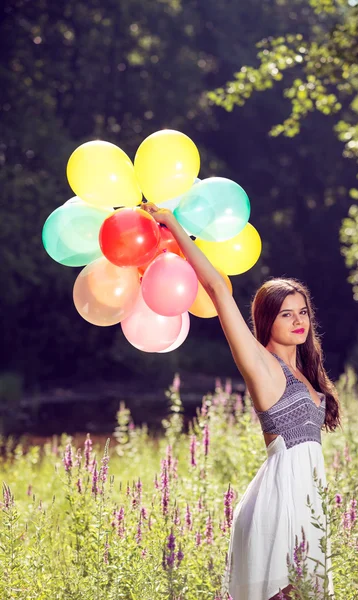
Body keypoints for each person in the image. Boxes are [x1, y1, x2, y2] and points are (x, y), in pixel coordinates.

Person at [141, 202, 340, 600]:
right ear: (268, 320)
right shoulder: (262, 366)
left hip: (307, 506)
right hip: (279, 506)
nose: (298, 321)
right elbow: (216, 287)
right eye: (286, 315)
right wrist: (173, 224)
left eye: (302, 312)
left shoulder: (308, 372)